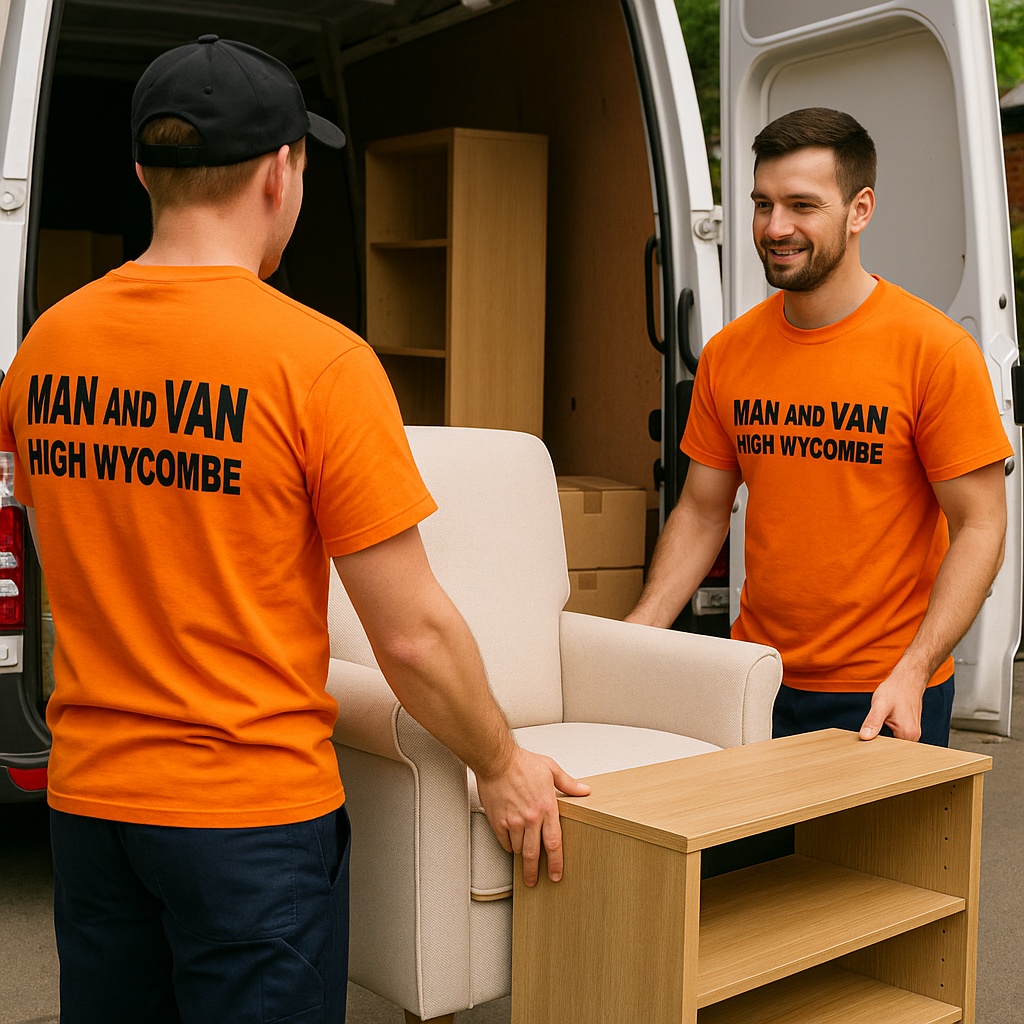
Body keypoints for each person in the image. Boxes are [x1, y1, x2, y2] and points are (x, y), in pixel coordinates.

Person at [0, 36, 587, 1024]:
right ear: (281, 172)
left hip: (92, 810)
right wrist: (500, 762)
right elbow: (411, 633)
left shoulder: (45, 349)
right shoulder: (318, 363)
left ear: (144, 171)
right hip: (250, 824)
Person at [627, 107, 1011, 749]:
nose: (776, 227)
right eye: (763, 204)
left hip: (886, 693)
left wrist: (915, 669)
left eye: (802, 205)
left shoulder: (934, 352)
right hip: (755, 678)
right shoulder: (729, 354)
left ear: (860, 210)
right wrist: (639, 632)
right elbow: (701, 511)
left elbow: (982, 526)